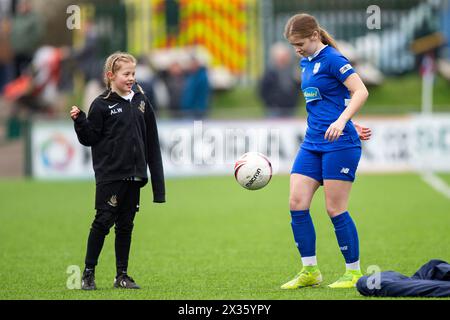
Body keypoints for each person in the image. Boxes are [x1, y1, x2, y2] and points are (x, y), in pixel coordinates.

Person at [280, 13, 372, 290]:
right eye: (292, 44)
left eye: (300, 43)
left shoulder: (332, 58)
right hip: (312, 142)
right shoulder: (305, 61)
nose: (296, 48)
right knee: (297, 203)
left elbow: (360, 91)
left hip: (340, 144)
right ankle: (310, 270)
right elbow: (329, 102)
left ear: (314, 36)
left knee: (334, 208)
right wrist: (348, 119)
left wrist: (344, 122)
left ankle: (354, 272)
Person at [70, 52, 165, 290]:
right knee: (103, 222)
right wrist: (80, 120)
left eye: (133, 73)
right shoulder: (101, 104)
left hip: (134, 176)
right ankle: (88, 273)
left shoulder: (141, 101)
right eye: (126, 74)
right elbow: (90, 138)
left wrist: (158, 188)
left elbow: (152, 142)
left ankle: (121, 275)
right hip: (110, 176)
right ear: (111, 76)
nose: (131, 78)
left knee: (126, 225)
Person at [259, 42, 300, 118]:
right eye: (281, 56)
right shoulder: (269, 72)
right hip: (274, 109)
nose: (284, 58)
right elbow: (262, 90)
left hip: (290, 108)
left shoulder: (292, 70)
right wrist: (271, 103)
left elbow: (298, 88)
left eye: (285, 56)